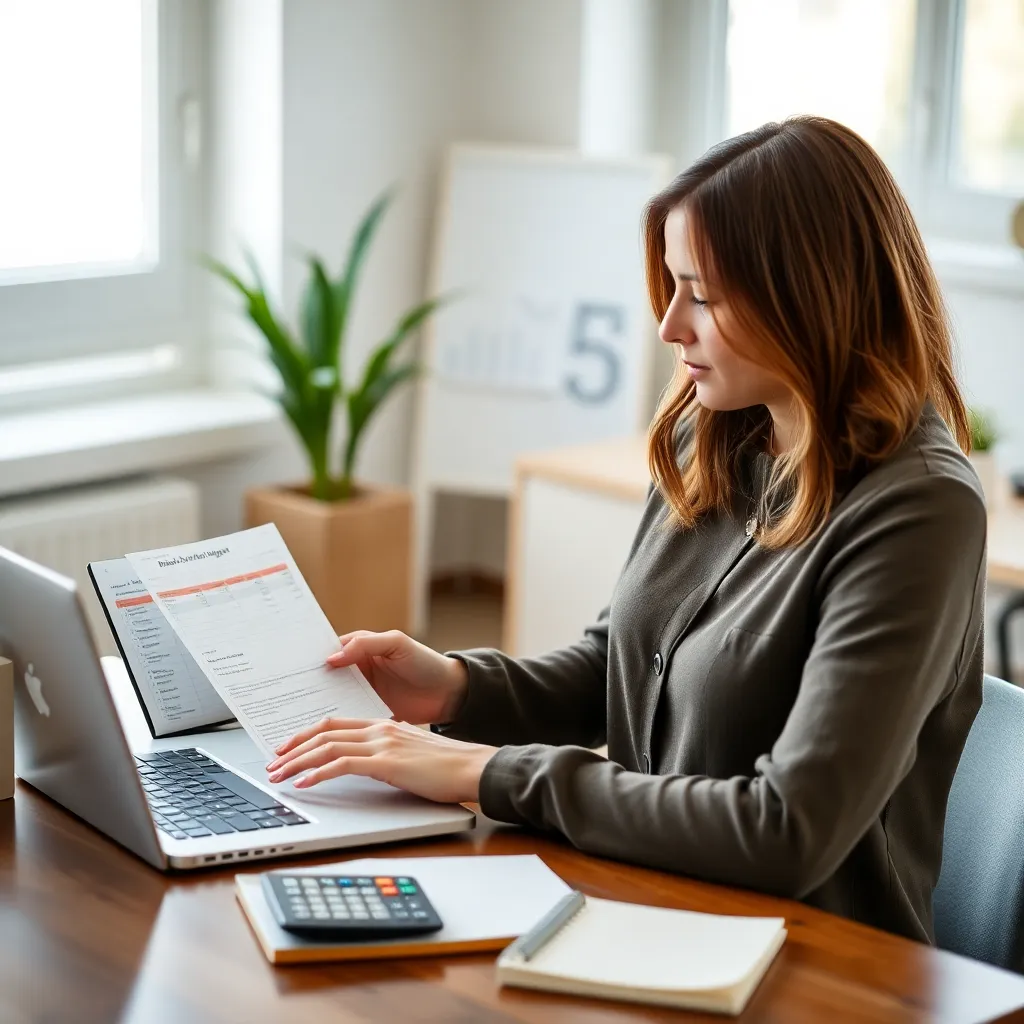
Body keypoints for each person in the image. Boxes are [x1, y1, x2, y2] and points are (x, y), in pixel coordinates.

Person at [265, 116, 987, 943]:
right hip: (651, 905)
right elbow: (626, 666)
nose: (670, 325)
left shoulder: (918, 510)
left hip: (814, 961)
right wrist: (457, 689)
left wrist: (489, 772)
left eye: (703, 296)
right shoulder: (712, 433)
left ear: (810, 297)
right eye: (673, 286)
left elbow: (787, 830)